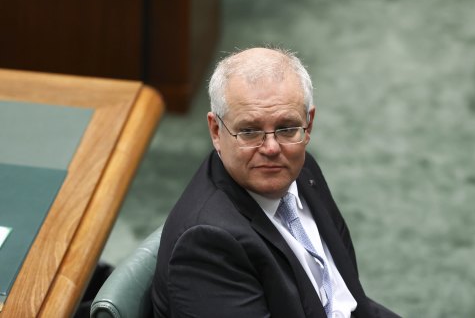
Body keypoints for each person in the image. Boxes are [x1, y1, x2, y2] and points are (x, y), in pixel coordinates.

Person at [151, 47, 400, 318]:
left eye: (287, 128)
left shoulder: (302, 170)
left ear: (308, 125)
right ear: (215, 131)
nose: (271, 148)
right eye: (249, 131)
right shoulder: (207, 244)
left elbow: (351, 299)